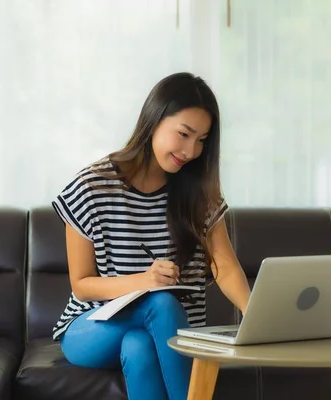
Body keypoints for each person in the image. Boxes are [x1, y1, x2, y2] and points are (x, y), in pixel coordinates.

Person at [51, 72, 251, 400]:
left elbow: (225, 267)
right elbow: (82, 285)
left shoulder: (200, 194)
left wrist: (257, 318)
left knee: (139, 344)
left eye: (201, 140)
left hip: (166, 333)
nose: (190, 150)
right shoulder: (92, 186)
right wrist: (144, 280)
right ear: (154, 120)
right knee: (159, 302)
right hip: (91, 330)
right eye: (184, 134)